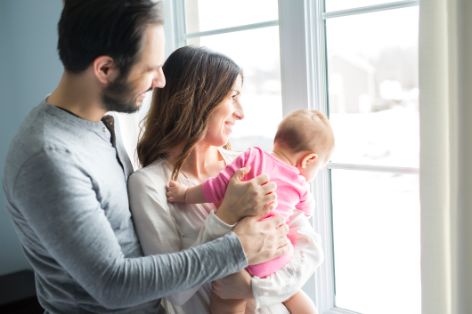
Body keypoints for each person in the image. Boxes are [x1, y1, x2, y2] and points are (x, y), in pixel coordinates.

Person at [1, 1, 290, 313]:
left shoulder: (99, 124)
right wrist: (238, 246)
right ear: (105, 69)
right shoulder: (48, 158)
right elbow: (112, 284)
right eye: (150, 68)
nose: (161, 81)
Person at [129, 45, 325, 314]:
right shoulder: (149, 185)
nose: (241, 112)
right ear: (197, 100)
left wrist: (258, 289)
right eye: (232, 97)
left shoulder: (246, 163)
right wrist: (225, 215)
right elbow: (173, 289)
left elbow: (309, 246)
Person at [166, 108, 334, 313]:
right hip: (279, 253)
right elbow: (307, 210)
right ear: (308, 160)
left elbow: (217, 187)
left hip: (245, 253)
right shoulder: (300, 184)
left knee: (227, 297)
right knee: (294, 294)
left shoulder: (252, 158)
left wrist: (185, 195)